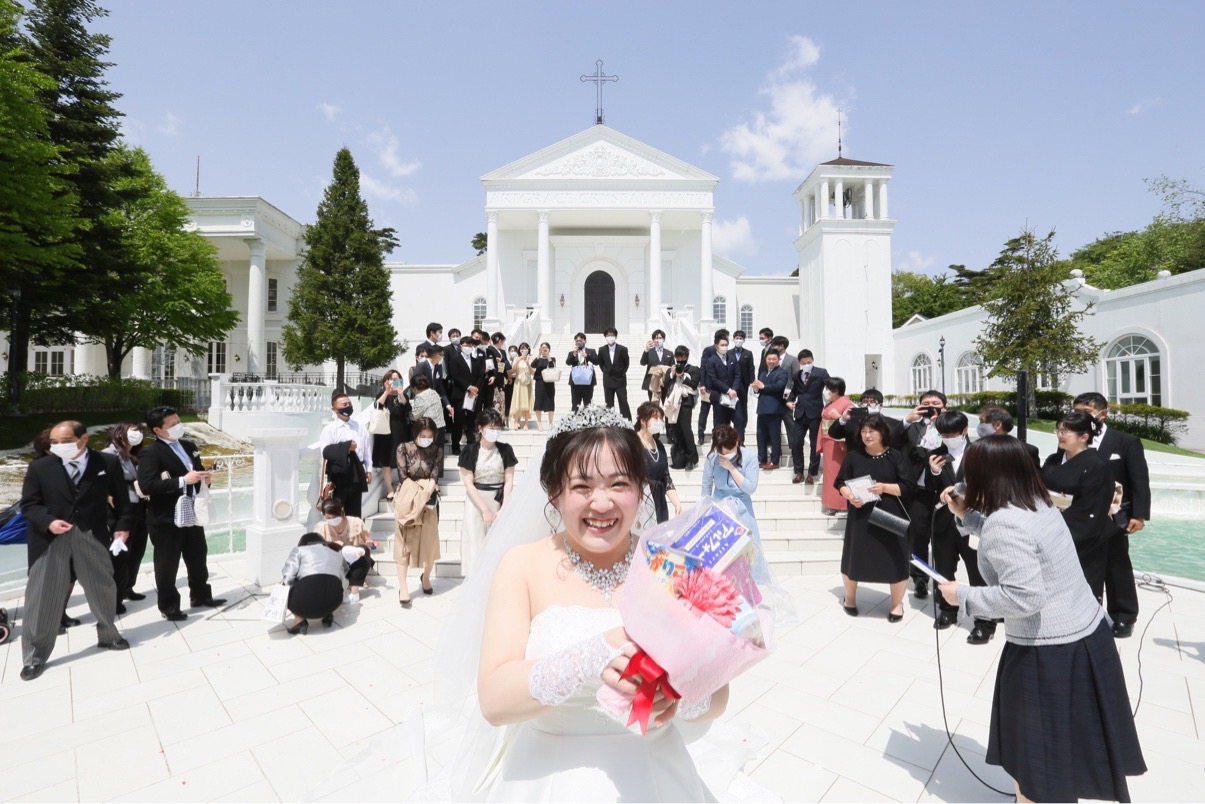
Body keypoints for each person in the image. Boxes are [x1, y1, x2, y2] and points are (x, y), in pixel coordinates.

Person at [473, 405, 728, 799]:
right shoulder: (521, 565)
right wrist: (590, 658)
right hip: (549, 774)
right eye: (582, 487)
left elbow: (717, 699)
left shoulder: (673, 566)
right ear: (554, 493)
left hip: (655, 772)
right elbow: (492, 700)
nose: (602, 503)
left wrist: (677, 692)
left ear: (641, 489)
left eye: (619, 484)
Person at [938, 436, 1146, 803]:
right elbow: (1019, 542)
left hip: (1047, 653)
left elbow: (1023, 597)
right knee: (1065, 748)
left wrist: (963, 596)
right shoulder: (1037, 502)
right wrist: (967, 518)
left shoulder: (1005, 524)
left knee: (1039, 761)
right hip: (1085, 633)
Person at [19, 421, 132, 680]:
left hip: (92, 534)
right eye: (54, 443)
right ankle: (35, 656)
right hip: (49, 538)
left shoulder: (107, 463)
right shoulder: (40, 467)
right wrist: (48, 521)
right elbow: (29, 505)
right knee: (43, 597)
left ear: (83, 439)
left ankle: (108, 636)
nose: (58, 447)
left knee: (103, 588)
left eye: (64, 441)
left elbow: (122, 502)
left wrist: (122, 527)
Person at [1074, 392, 1151, 639]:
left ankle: (1123, 615)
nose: (1080, 417)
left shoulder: (1126, 442)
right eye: (1076, 412)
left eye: (1085, 412)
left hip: (1114, 515)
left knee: (1117, 565)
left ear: (1102, 413)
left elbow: (1139, 479)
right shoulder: (1075, 439)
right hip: (1082, 515)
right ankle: (1086, 612)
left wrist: (1139, 514)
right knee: (1084, 565)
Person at [138, 406, 226, 621]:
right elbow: (147, 485)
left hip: (192, 511)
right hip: (166, 516)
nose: (179, 426)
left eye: (179, 421)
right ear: (158, 430)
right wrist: (181, 480)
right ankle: (169, 606)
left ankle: (201, 595)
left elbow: (195, 470)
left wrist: (205, 479)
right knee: (167, 564)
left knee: (198, 555)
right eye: (173, 424)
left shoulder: (188, 445)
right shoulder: (151, 452)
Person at [833, 414, 916, 622]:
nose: (867, 435)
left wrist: (885, 487)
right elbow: (840, 482)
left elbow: (909, 487)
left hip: (889, 515)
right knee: (854, 557)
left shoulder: (896, 456)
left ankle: (896, 604)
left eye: (872, 431)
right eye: (863, 431)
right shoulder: (854, 456)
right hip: (860, 514)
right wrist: (849, 495)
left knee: (895, 558)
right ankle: (850, 598)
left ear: (883, 433)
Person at [925, 410, 997, 644]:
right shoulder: (936, 452)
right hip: (944, 521)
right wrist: (934, 472)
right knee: (944, 568)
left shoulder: (980, 452)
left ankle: (984, 621)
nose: (948, 438)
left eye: (952, 434)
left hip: (972, 519)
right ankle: (947, 610)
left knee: (978, 571)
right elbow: (926, 487)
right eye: (943, 434)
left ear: (965, 431)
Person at [1042, 410, 1116, 600]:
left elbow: (1090, 509)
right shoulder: (1053, 460)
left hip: (1081, 538)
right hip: (1048, 530)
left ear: (1084, 437)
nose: (1060, 435)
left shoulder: (1097, 466)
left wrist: (1054, 530)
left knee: (1081, 594)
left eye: (1066, 432)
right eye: (1059, 430)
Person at [458, 409, 517, 577]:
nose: (495, 432)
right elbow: (468, 483)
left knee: (499, 544)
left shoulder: (506, 450)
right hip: (477, 502)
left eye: (498, 428)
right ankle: (476, 580)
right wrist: (484, 509)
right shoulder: (469, 451)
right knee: (476, 542)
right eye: (491, 428)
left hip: (499, 500)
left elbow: (509, 480)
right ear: (480, 428)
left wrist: (504, 507)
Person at [902, 389, 948, 601]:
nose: (931, 406)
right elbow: (894, 441)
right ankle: (920, 579)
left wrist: (943, 422)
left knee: (944, 538)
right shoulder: (912, 427)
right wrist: (906, 420)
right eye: (926, 402)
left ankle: (944, 581)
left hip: (944, 491)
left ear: (944, 405)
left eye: (935, 402)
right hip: (919, 491)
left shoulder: (951, 426)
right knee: (918, 537)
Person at [395, 418, 444, 607]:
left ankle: (426, 577)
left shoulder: (437, 451)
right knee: (403, 544)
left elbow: (434, 475)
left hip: (429, 499)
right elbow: (402, 476)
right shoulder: (403, 448)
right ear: (415, 433)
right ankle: (403, 585)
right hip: (408, 499)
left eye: (430, 436)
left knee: (430, 542)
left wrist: (426, 493)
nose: (426, 439)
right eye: (422, 436)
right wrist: (418, 495)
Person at [102, 421, 150, 611]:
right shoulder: (108, 454)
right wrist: (106, 496)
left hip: (139, 506)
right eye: (133, 431)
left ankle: (128, 586)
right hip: (120, 509)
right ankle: (114, 598)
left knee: (137, 549)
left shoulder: (135, 456)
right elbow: (99, 480)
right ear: (120, 433)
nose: (137, 435)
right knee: (120, 553)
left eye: (140, 432)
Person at [700, 424, 763, 553]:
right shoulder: (713, 457)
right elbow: (706, 485)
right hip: (719, 505)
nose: (724, 455)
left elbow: (750, 488)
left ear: (736, 442)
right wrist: (704, 509)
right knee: (719, 551)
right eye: (721, 452)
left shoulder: (749, 457)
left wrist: (732, 468)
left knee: (747, 552)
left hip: (742, 506)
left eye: (728, 452)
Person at [318, 392, 372, 518]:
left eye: (349, 404)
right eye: (344, 404)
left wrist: (369, 470)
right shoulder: (330, 430)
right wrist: (347, 447)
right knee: (337, 512)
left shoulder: (360, 426)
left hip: (356, 474)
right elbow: (326, 452)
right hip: (338, 477)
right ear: (335, 409)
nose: (348, 406)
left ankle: (355, 536)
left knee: (355, 513)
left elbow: (366, 451)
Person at [280, 532, 345, 635]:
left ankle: (300, 621)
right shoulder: (335, 554)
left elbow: (288, 576)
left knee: (287, 589)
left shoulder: (299, 550)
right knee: (328, 583)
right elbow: (342, 579)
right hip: (334, 602)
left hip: (304, 606)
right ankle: (327, 614)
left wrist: (284, 591)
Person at [315, 497, 376, 605]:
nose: (331, 520)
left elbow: (367, 539)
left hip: (356, 561)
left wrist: (370, 542)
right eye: (328, 517)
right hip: (335, 561)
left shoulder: (355, 522)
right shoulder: (322, 527)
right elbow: (316, 549)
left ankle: (354, 593)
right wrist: (332, 544)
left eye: (334, 517)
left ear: (341, 511)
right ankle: (347, 581)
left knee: (363, 550)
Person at [785, 349, 829, 485]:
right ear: (800, 363)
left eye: (808, 362)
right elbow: (794, 392)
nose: (806, 364)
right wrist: (788, 401)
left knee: (815, 443)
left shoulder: (821, 372)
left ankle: (812, 473)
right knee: (796, 442)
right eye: (803, 363)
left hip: (815, 412)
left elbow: (831, 387)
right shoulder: (797, 375)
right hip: (799, 413)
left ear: (812, 360)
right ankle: (799, 472)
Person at [635, 401, 681, 523]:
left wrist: (676, 503)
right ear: (643, 421)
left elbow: (666, 477)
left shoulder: (659, 445)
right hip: (640, 500)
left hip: (659, 501)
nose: (659, 421)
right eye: (655, 418)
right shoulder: (633, 443)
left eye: (661, 418)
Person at [818, 377, 855, 515]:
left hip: (839, 443)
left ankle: (843, 505)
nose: (826, 391)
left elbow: (852, 425)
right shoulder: (829, 403)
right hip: (829, 442)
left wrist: (838, 417)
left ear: (837, 391)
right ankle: (832, 504)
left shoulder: (847, 403)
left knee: (839, 473)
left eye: (829, 389)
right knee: (830, 475)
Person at [662, 345, 701, 471]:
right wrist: (672, 374)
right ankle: (678, 459)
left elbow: (694, 385)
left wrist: (683, 376)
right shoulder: (671, 369)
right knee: (675, 431)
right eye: (678, 358)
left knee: (686, 430)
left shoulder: (693, 369)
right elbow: (665, 384)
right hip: (673, 404)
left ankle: (692, 458)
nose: (680, 361)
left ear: (687, 357)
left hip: (685, 403)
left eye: (682, 358)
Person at [446, 335, 485, 455]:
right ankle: (456, 446)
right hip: (460, 394)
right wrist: (468, 387)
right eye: (465, 345)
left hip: (473, 395)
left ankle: (471, 443)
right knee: (458, 421)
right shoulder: (455, 359)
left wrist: (476, 388)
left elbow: (481, 375)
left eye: (469, 345)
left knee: (472, 420)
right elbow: (455, 375)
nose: (467, 347)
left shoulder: (476, 360)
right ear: (461, 346)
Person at [374, 369, 410, 493]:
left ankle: (403, 486)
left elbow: (406, 407)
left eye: (397, 379)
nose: (394, 381)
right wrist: (387, 391)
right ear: (386, 381)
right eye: (391, 379)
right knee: (386, 462)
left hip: (400, 431)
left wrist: (400, 393)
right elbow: (378, 405)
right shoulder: (381, 394)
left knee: (402, 460)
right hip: (385, 432)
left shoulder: (403, 395)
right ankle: (389, 490)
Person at [753, 349, 789, 469]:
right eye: (769, 359)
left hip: (775, 409)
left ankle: (775, 461)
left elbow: (779, 387)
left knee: (774, 435)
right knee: (760, 435)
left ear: (778, 360)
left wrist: (763, 386)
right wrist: (756, 388)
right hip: (762, 408)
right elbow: (759, 388)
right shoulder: (763, 373)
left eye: (774, 359)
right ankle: (761, 459)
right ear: (765, 360)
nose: (771, 361)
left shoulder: (782, 373)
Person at [701, 334, 740, 430]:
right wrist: (728, 390)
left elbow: (737, 375)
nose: (725, 347)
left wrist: (734, 389)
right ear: (716, 346)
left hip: (732, 397)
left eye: (726, 344)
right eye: (722, 345)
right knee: (720, 424)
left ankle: (736, 443)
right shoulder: (711, 361)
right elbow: (713, 380)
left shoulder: (732, 358)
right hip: (718, 396)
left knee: (737, 421)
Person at [695, 328, 727, 445]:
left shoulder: (727, 353)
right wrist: (702, 384)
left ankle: (716, 434)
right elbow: (702, 368)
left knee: (718, 413)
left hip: (719, 389)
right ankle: (701, 434)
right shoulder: (708, 351)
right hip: (707, 387)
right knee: (704, 411)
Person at [597, 326, 632, 420]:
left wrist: (621, 372)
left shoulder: (623, 349)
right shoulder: (602, 349)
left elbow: (626, 364)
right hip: (608, 380)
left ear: (616, 336)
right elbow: (601, 364)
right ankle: (610, 422)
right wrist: (606, 371)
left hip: (620, 380)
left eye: (612, 335)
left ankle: (627, 422)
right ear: (605, 337)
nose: (610, 337)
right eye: (608, 335)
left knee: (623, 402)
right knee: (609, 403)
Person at [728, 330, 755, 445]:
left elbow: (751, 368)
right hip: (731, 386)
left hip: (743, 386)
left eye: (741, 338)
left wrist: (752, 382)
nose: (738, 340)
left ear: (744, 340)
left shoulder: (748, 353)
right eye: (737, 337)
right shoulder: (728, 353)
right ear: (733, 339)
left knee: (742, 409)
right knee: (730, 409)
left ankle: (741, 431)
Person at [565, 333, 597, 410]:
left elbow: (596, 362)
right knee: (575, 405)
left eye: (580, 340)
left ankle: (587, 421)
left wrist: (588, 356)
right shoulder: (572, 353)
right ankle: (574, 420)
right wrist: (574, 353)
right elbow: (568, 362)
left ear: (585, 341)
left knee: (588, 405)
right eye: (577, 341)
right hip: (576, 382)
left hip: (588, 381)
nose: (579, 342)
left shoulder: (591, 351)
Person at [639, 329, 673, 401]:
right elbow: (642, 363)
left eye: (660, 338)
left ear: (663, 339)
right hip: (652, 382)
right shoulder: (650, 352)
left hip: (664, 382)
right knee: (653, 405)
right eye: (656, 338)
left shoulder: (669, 353)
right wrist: (646, 350)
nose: (658, 340)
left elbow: (672, 367)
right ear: (653, 340)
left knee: (665, 405)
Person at [509, 342, 535, 431]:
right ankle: (516, 422)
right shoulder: (516, 358)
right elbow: (512, 370)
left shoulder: (531, 358)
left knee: (527, 402)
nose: (523, 350)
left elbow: (533, 372)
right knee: (517, 401)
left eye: (525, 348)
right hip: (519, 382)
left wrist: (528, 363)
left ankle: (526, 423)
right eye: (522, 349)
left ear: (528, 349)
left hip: (527, 382)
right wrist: (519, 359)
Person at [531, 342, 557, 431]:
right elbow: (532, 365)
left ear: (549, 349)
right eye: (542, 348)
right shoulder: (538, 359)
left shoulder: (552, 359)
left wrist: (548, 355)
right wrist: (539, 354)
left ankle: (551, 423)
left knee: (550, 401)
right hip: (539, 382)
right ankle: (539, 423)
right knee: (538, 402)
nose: (544, 349)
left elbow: (552, 366)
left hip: (549, 382)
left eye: (546, 348)